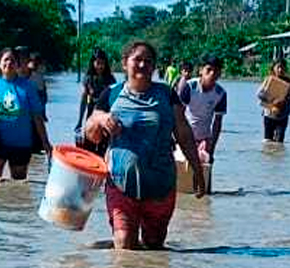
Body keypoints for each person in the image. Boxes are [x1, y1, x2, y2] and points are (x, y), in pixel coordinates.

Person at [84, 41, 206, 250]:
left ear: (154, 67)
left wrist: (197, 169)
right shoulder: (111, 94)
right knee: (124, 245)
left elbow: (184, 133)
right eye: (137, 60)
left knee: (154, 247)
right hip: (120, 184)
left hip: (160, 186)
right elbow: (90, 133)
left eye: (148, 61)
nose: (142, 65)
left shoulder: (166, 95)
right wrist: (102, 119)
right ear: (124, 64)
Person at [0, 47, 52, 180]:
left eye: (13, 60)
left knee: (18, 186)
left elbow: (37, 117)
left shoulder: (28, 87)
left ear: (18, 65)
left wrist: (45, 143)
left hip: (21, 143)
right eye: (5, 60)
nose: (9, 63)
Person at [178, 55, 228, 163]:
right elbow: (178, 116)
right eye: (208, 70)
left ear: (220, 74)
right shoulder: (190, 87)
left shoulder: (220, 94)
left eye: (216, 71)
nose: (212, 74)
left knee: (205, 169)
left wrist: (212, 149)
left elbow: (217, 123)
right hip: (186, 136)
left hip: (204, 138)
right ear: (201, 70)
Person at [77, 49, 116, 155]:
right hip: (91, 115)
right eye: (98, 63)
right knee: (88, 147)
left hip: (105, 116)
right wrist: (80, 121)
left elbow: (115, 102)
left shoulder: (110, 80)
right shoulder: (88, 79)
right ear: (93, 63)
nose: (100, 66)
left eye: (102, 63)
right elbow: (84, 101)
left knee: (103, 148)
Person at [257, 59, 290, 143]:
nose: (280, 70)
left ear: (285, 69)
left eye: (282, 67)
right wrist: (271, 100)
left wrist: (284, 100)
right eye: (278, 67)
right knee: (267, 141)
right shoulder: (268, 79)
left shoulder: (289, 82)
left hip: (283, 115)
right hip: (269, 115)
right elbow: (259, 94)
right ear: (273, 68)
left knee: (279, 142)